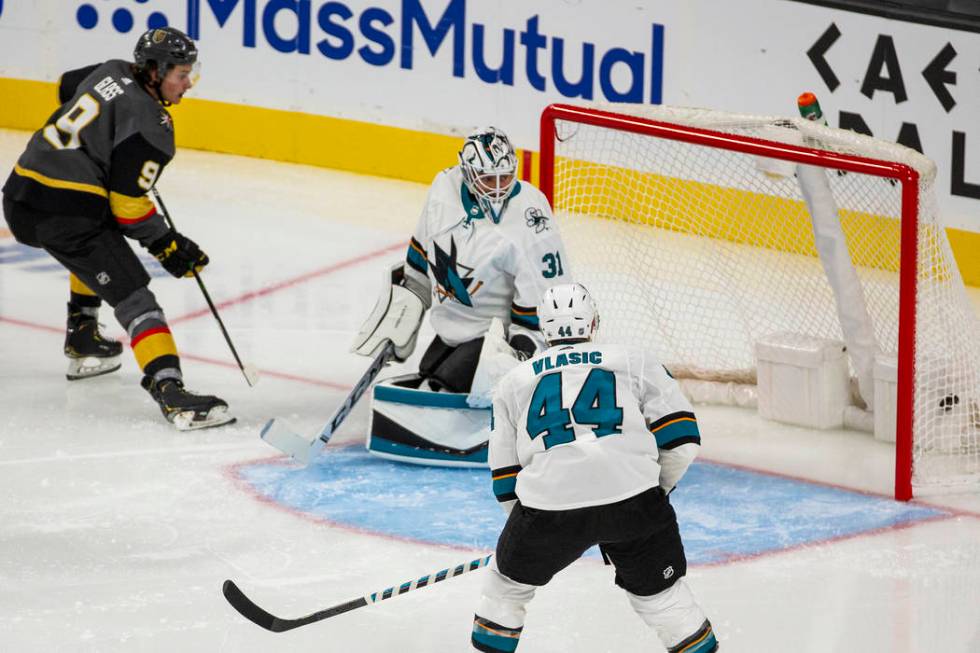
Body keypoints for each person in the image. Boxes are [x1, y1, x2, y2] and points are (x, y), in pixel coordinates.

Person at [1, 27, 234, 430]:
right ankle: (171, 392)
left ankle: (84, 334)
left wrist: (97, 145)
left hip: (20, 193)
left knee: (95, 241)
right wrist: (166, 243)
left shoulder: (110, 69)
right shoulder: (153, 125)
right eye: (181, 74)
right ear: (154, 71)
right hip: (67, 214)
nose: (188, 84)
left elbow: (67, 86)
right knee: (137, 299)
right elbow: (128, 210)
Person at [471, 283, 718, 653]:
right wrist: (652, 490)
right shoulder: (634, 359)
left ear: (543, 328)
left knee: (506, 589)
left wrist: (523, 535)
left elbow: (505, 480)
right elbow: (682, 439)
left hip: (547, 510)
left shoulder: (512, 382)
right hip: (636, 503)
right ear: (594, 322)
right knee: (662, 598)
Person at [352, 126, 572, 395]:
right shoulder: (444, 188)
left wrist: (521, 354)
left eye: (505, 178)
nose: (499, 187)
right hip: (450, 328)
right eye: (489, 179)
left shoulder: (529, 217)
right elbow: (420, 258)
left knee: (446, 388)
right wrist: (402, 314)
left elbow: (546, 299)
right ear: (467, 173)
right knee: (429, 375)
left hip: (492, 337)